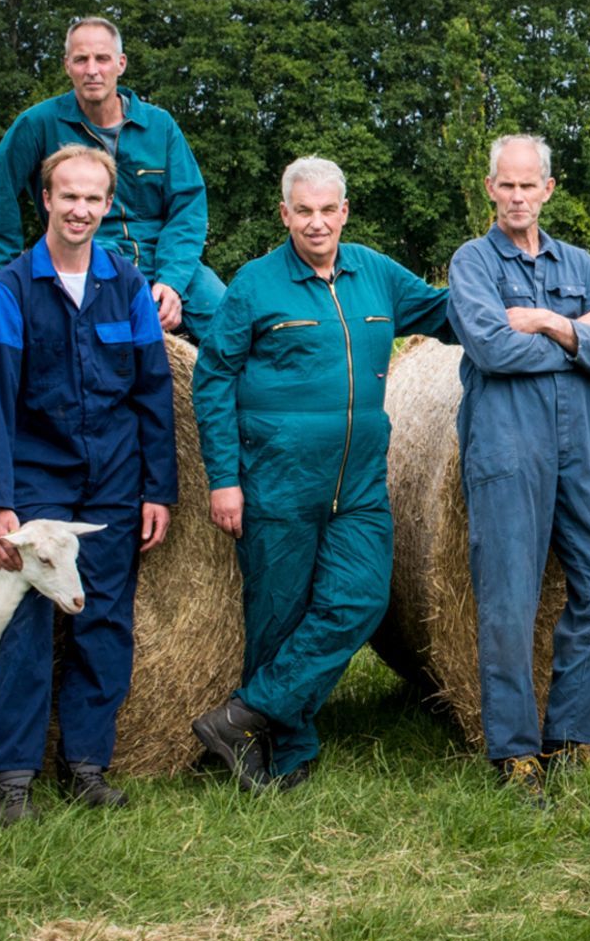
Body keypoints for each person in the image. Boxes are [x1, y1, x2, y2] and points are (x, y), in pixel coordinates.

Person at [187, 157, 458, 791]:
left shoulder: (376, 275)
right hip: (276, 477)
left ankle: (241, 717)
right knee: (278, 615)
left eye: (327, 210)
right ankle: (288, 751)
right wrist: (223, 478)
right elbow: (212, 378)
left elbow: (447, 312)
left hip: (360, 481)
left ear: (344, 212)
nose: (316, 223)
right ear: (285, 215)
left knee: (362, 598)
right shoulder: (254, 285)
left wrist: (537, 303)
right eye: (302, 211)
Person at [0, 145, 179, 825]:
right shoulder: (10, 290)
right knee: (28, 622)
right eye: (70, 197)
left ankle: (86, 764)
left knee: (104, 618)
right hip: (40, 477)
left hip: (116, 478)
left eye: (94, 199)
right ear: (46, 200)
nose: (82, 210)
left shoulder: (126, 285)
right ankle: (12, 778)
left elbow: (154, 392)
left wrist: (160, 489)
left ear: (108, 204)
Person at [446, 135, 590, 806]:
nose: (519, 197)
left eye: (530, 186)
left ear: (548, 190)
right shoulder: (471, 263)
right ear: (491, 189)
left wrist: (552, 324)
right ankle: (517, 754)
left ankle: (565, 737)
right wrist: (579, 335)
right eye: (507, 186)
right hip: (506, 448)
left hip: (580, 447)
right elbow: (492, 349)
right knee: (507, 602)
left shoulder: (579, 263)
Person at [0, 15, 225, 339]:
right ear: (67, 65)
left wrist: (172, 281)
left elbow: (188, 205)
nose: (92, 69)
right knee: (98, 341)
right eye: (81, 59)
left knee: (228, 322)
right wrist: (10, 278)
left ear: (120, 64)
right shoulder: (38, 123)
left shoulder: (159, 126)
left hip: (162, 256)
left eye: (102, 58)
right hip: (85, 254)